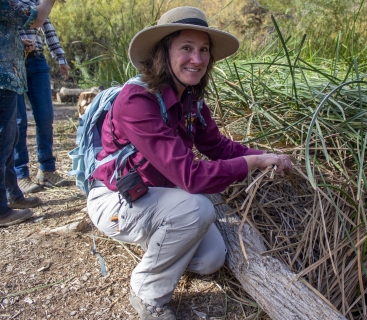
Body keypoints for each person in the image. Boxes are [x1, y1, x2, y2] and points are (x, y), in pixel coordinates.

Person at [86, 6, 292, 320]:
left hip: (162, 199)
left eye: (203, 50)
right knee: (198, 208)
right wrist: (254, 162)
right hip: (118, 201)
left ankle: (160, 244)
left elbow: (217, 146)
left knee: (211, 259)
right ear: (163, 52)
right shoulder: (137, 100)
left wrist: (267, 158)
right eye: (186, 48)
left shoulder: (191, 99)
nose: (196, 59)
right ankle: (147, 293)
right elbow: (192, 178)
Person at [0, 0, 63, 227]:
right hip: (4, 74)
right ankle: (5, 204)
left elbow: (43, 25)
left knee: (12, 135)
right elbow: (36, 18)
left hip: (15, 67)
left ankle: (14, 195)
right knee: (8, 136)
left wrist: (18, 43)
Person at [15, 0, 72, 194]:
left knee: (46, 116)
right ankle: (20, 174)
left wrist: (60, 57)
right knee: (19, 120)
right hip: (13, 60)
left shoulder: (35, 3)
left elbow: (46, 26)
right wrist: (17, 43)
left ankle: (47, 170)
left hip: (37, 61)